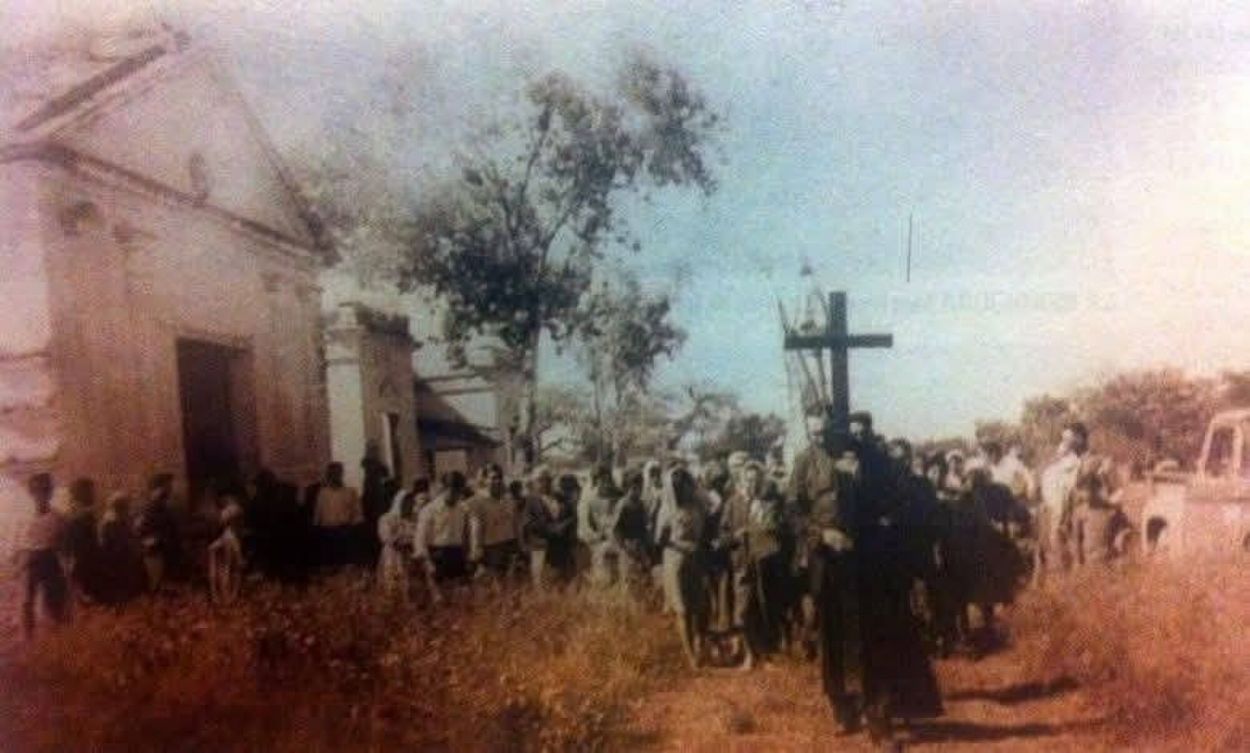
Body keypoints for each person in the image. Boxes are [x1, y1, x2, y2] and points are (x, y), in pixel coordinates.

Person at [657, 466, 709, 669]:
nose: (684, 489)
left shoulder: (697, 506)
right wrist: (681, 546)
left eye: (687, 484)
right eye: (680, 486)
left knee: (700, 606)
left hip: (696, 559)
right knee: (683, 609)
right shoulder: (667, 509)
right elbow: (660, 540)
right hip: (676, 561)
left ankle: (699, 643)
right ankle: (690, 657)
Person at [16, 473, 69, 638]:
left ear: (50, 493)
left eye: (45, 490)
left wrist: (65, 564)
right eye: (37, 491)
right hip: (29, 559)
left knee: (54, 599)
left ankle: (57, 634)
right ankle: (28, 636)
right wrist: (18, 563)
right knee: (26, 600)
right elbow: (17, 542)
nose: (41, 495)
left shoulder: (59, 518)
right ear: (31, 493)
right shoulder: (23, 517)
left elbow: (63, 543)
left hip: (49, 558)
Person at [414, 471, 472, 602]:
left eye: (458, 491)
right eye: (452, 490)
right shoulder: (429, 510)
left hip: (457, 555)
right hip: (437, 556)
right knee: (440, 600)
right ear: (444, 488)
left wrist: (467, 556)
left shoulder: (463, 508)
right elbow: (420, 540)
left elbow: (465, 535)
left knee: (461, 599)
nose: (456, 495)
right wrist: (428, 563)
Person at [468, 464, 522, 584]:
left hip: (509, 545)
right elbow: (476, 528)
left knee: (511, 583)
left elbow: (516, 524)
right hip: (490, 548)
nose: (497, 481)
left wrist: (519, 545)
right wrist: (476, 551)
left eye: (499, 478)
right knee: (493, 584)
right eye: (493, 478)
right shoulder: (477, 502)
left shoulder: (509, 501)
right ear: (485, 480)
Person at [135, 473, 183, 591]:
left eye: (169, 485)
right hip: (156, 552)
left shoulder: (165, 507)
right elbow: (141, 531)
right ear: (157, 488)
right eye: (167, 485)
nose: (170, 489)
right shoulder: (148, 508)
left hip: (167, 550)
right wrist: (154, 540)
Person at [98, 491, 146, 606]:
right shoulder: (112, 523)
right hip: (119, 562)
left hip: (122, 560)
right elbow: (120, 543)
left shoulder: (117, 521)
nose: (129, 509)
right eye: (126, 506)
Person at [313, 462, 364, 568]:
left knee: (346, 564)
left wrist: (353, 528)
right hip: (327, 532)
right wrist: (317, 528)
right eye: (332, 473)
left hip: (344, 531)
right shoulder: (323, 493)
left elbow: (357, 512)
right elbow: (318, 513)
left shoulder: (350, 492)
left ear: (341, 474)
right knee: (330, 564)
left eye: (337, 473)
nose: (334, 476)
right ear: (328, 475)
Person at [63, 477, 104, 604]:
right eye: (91, 492)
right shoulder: (81, 516)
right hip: (83, 556)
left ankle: (85, 592)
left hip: (84, 555)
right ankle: (85, 593)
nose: (93, 495)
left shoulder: (80, 515)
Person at [377, 489, 418, 597]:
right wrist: (402, 539)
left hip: (409, 556)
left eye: (411, 503)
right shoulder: (387, 518)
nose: (409, 506)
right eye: (406, 503)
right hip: (392, 556)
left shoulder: (414, 519)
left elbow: (417, 537)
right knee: (392, 583)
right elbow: (386, 537)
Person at [208, 504, 246, 605]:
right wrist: (240, 560)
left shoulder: (227, 535)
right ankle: (227, 597)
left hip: (226, 561)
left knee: (226, 569)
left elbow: (213, 547)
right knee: (228, 570)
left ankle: (221, 596)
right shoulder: (230, 536)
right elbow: (236, 553)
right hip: (229, 564)